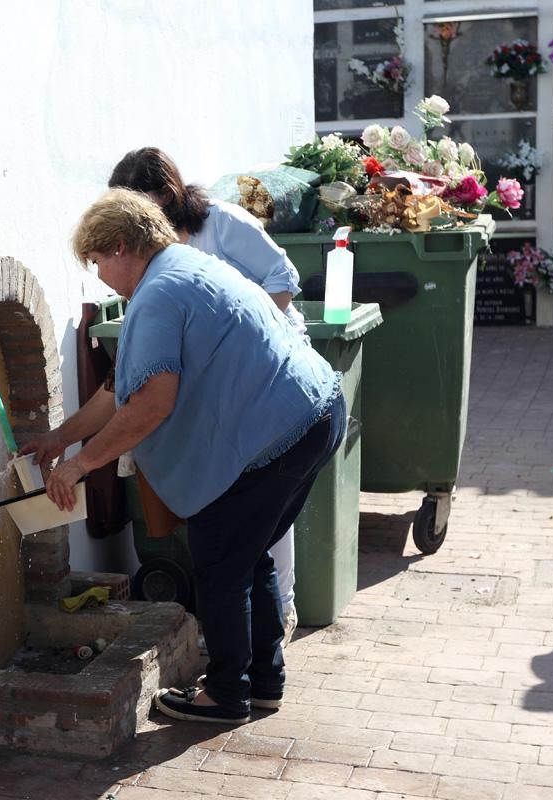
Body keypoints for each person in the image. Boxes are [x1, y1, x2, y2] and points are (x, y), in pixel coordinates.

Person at [26, 189, 344, 723]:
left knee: (219, 560)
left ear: (122, 247)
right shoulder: (181, 268)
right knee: (247, 553)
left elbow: (151, 403)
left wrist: (81, 465)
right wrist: (62, 437)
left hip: (278, 432)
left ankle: (225, 695)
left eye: (98, 261)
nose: (99, 274)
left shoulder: (158, 295)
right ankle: (263, 682)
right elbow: (115, 388)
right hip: (313, 413)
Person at [108, 147, 305, 640]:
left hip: (264, 368)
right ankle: (246, 627)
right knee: (234, 498)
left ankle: (282, 610)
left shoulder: (221, 221)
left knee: (262, 492)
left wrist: (251, 339)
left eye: (147, 205)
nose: (138, 218)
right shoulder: (146, 255)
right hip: (208, 380)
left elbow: (284, 276)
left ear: (169, 195)